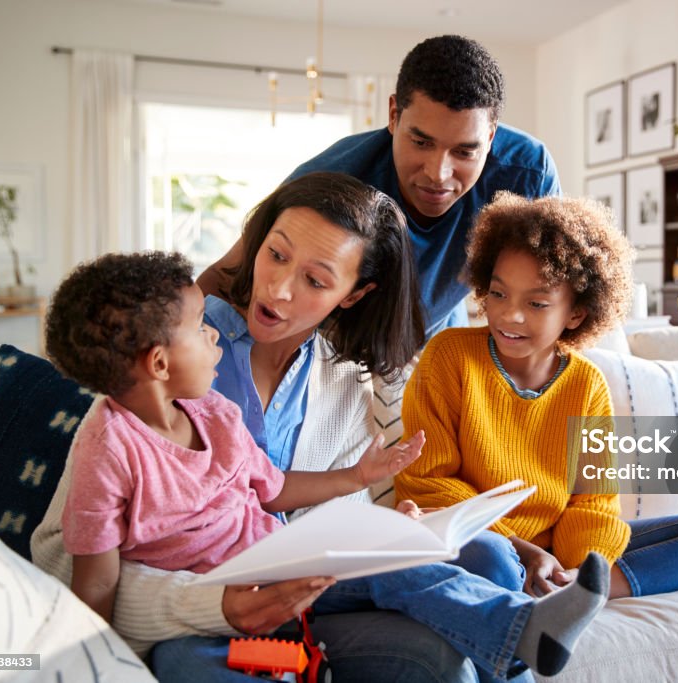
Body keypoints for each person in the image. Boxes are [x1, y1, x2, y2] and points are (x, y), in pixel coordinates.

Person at [29, 173, 549, 682]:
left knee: (487, 565)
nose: (276, 288)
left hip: (296, 584)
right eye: (275, 255)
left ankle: (526, 634)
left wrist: (386, 526)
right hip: (189, 608)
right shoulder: (154, 357)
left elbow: (314, 509)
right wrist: (210, 605)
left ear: (352, 294)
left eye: (316, 280)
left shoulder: (341, 380)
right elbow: (70, 559)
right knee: (189, 664)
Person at [395, 192, 678, 600]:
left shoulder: (587, 384)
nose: (510, 315)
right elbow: (427, 483)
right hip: (482, 541)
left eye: (537, 303)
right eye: (498, 293)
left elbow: (592, 500)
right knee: (492, 561)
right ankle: (539, 584)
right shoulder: (448, 357)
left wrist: (577, 564)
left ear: (575, 314)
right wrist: (523, 552)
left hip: (558, 547)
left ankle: (573, 589)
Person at [200, 34, 561, 337]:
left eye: (465, 151)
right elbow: (222, 278)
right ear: (393, 115)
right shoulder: (330, 178)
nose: (438, 173)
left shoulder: (526, 174)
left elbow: (554, 291)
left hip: (439, 336)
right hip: (338, 345)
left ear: (492, 137)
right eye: (421, 142)